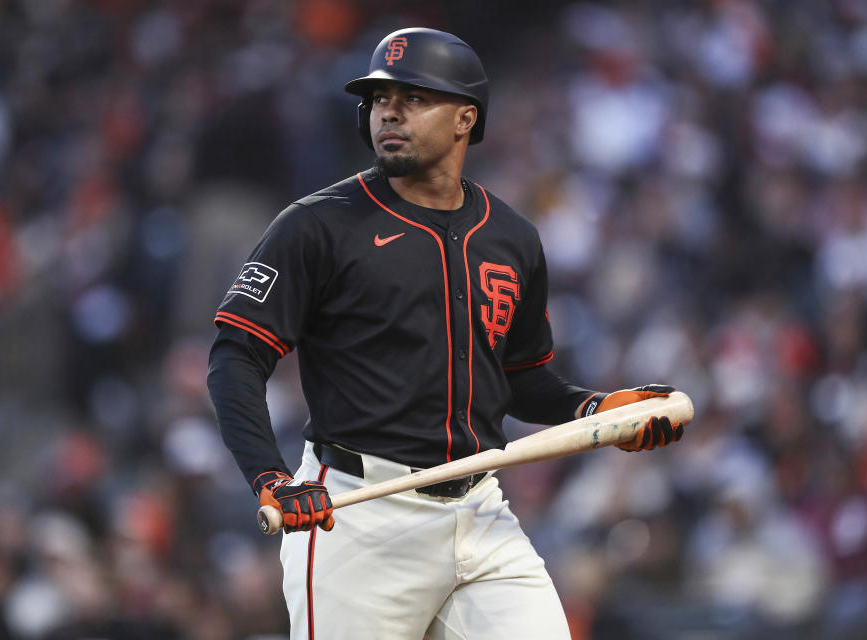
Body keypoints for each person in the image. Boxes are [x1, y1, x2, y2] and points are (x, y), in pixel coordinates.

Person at [206, 27, 684, 640]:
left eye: (413, 97)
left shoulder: (510, 237)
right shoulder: (316, 226)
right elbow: (234, 357)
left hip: (480, 508)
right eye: (381, 99)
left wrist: (594, 409)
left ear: (465, 118)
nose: (390, 112)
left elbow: (519, 379)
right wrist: (270, 477)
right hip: (357, 512)